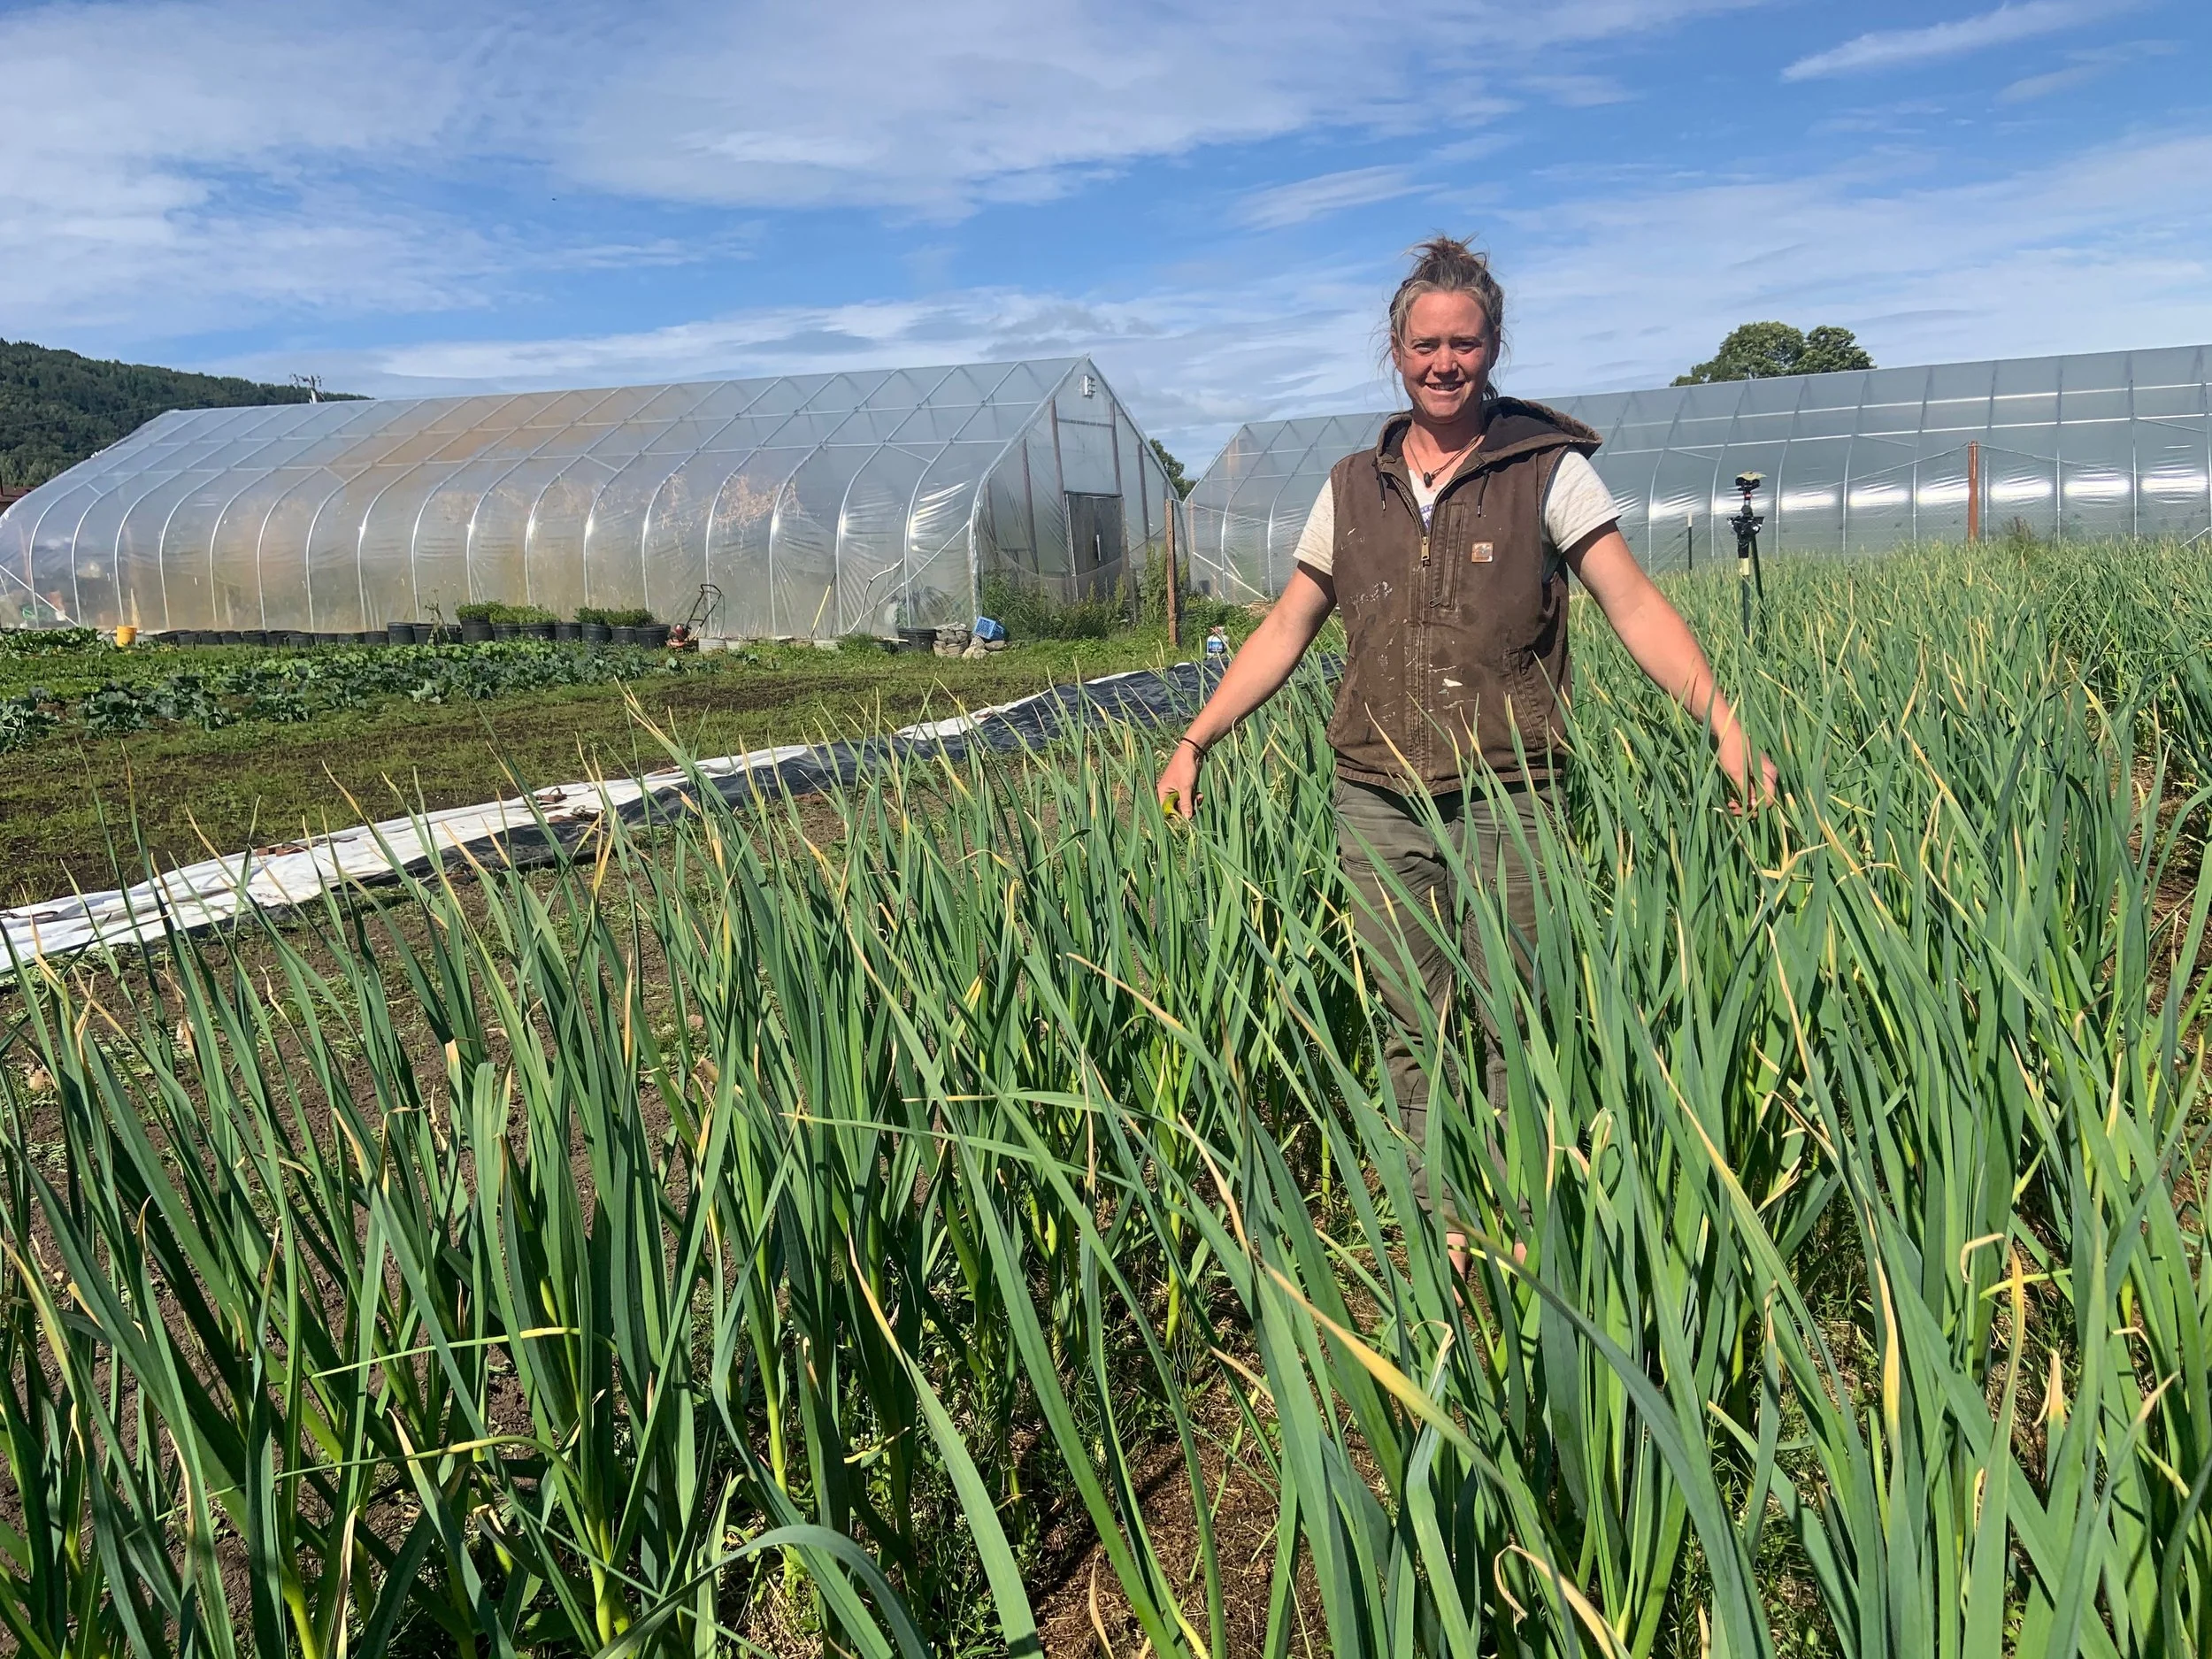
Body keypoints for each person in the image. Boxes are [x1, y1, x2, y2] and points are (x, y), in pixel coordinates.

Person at [1155, 235, 1774, 1256]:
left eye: (1465, 344)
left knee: (1511, 1013)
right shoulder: (1353, 486)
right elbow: (1286, 625)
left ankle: (1524, 1222)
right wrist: (1197, 738)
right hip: (1376, 792)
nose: (1444, 363)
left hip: (1508, 791)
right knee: (1409, 1023)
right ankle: (1441, 1226)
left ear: (1493, 346)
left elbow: (1631, 604)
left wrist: (1723, 720)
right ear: (1393, 350)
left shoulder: (1546, 473)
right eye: (1424, 344)